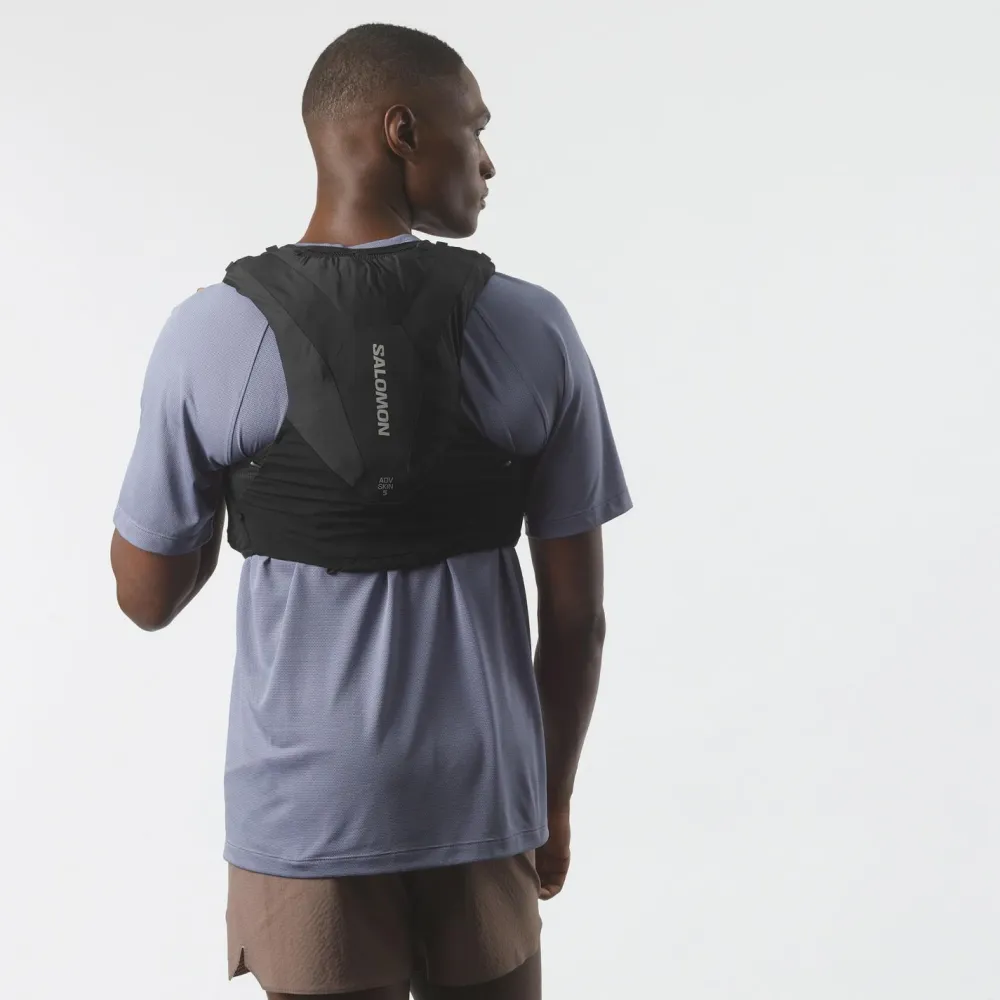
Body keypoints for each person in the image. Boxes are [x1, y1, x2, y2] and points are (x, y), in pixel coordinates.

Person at [110, 22, 631, 1000]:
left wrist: (241, 498)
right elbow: (577, 618)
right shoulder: (532, 326)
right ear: (402, 131)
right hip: (482, 802)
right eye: (474, 130)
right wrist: (549, 799)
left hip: (305, 817)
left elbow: (145, 596)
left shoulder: (210, 333)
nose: (487, 162)